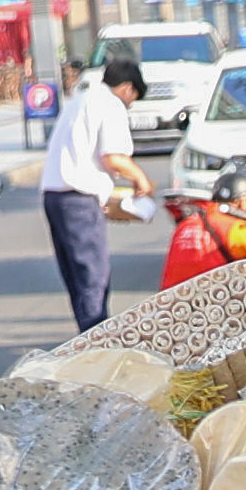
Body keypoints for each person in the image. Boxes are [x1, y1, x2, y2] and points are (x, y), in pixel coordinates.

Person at [41, 55, 153, 328]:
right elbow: (112, 156)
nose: (130, 104)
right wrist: (141, 179)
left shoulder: (80, 99)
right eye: (133, 97)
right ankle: (96, 338)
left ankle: (87, 334)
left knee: (76, 277)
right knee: (94, 277)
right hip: (78, 198)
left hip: (54, 195)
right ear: (127, 88)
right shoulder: (110, 104)